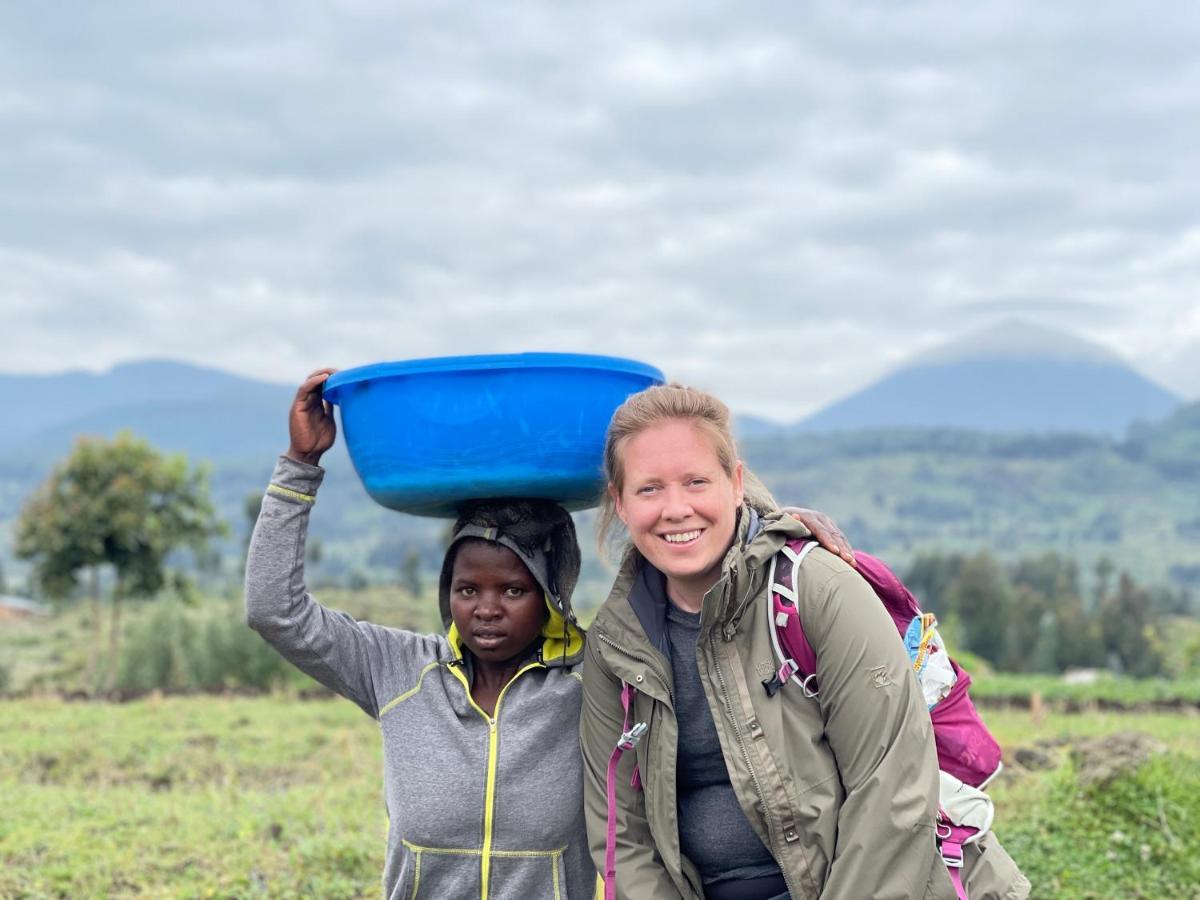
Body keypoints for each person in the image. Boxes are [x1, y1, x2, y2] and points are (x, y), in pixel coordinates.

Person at [246, 369, 858, 900]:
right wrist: (301, 466)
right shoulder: (399, 671)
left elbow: (691, 570)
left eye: (513, 591)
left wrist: (766, 528)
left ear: (552, 597)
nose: (486, 609)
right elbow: (276, 610)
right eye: (467, 590)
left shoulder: (602, 676)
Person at [579, 383, 1029, 900]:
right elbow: (622, 835)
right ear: (619, 502)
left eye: (696, 481)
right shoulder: (617, 645)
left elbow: (891, 790)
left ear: (736, 482)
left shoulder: (817, 591)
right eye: (649, 489)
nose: (676, 508)